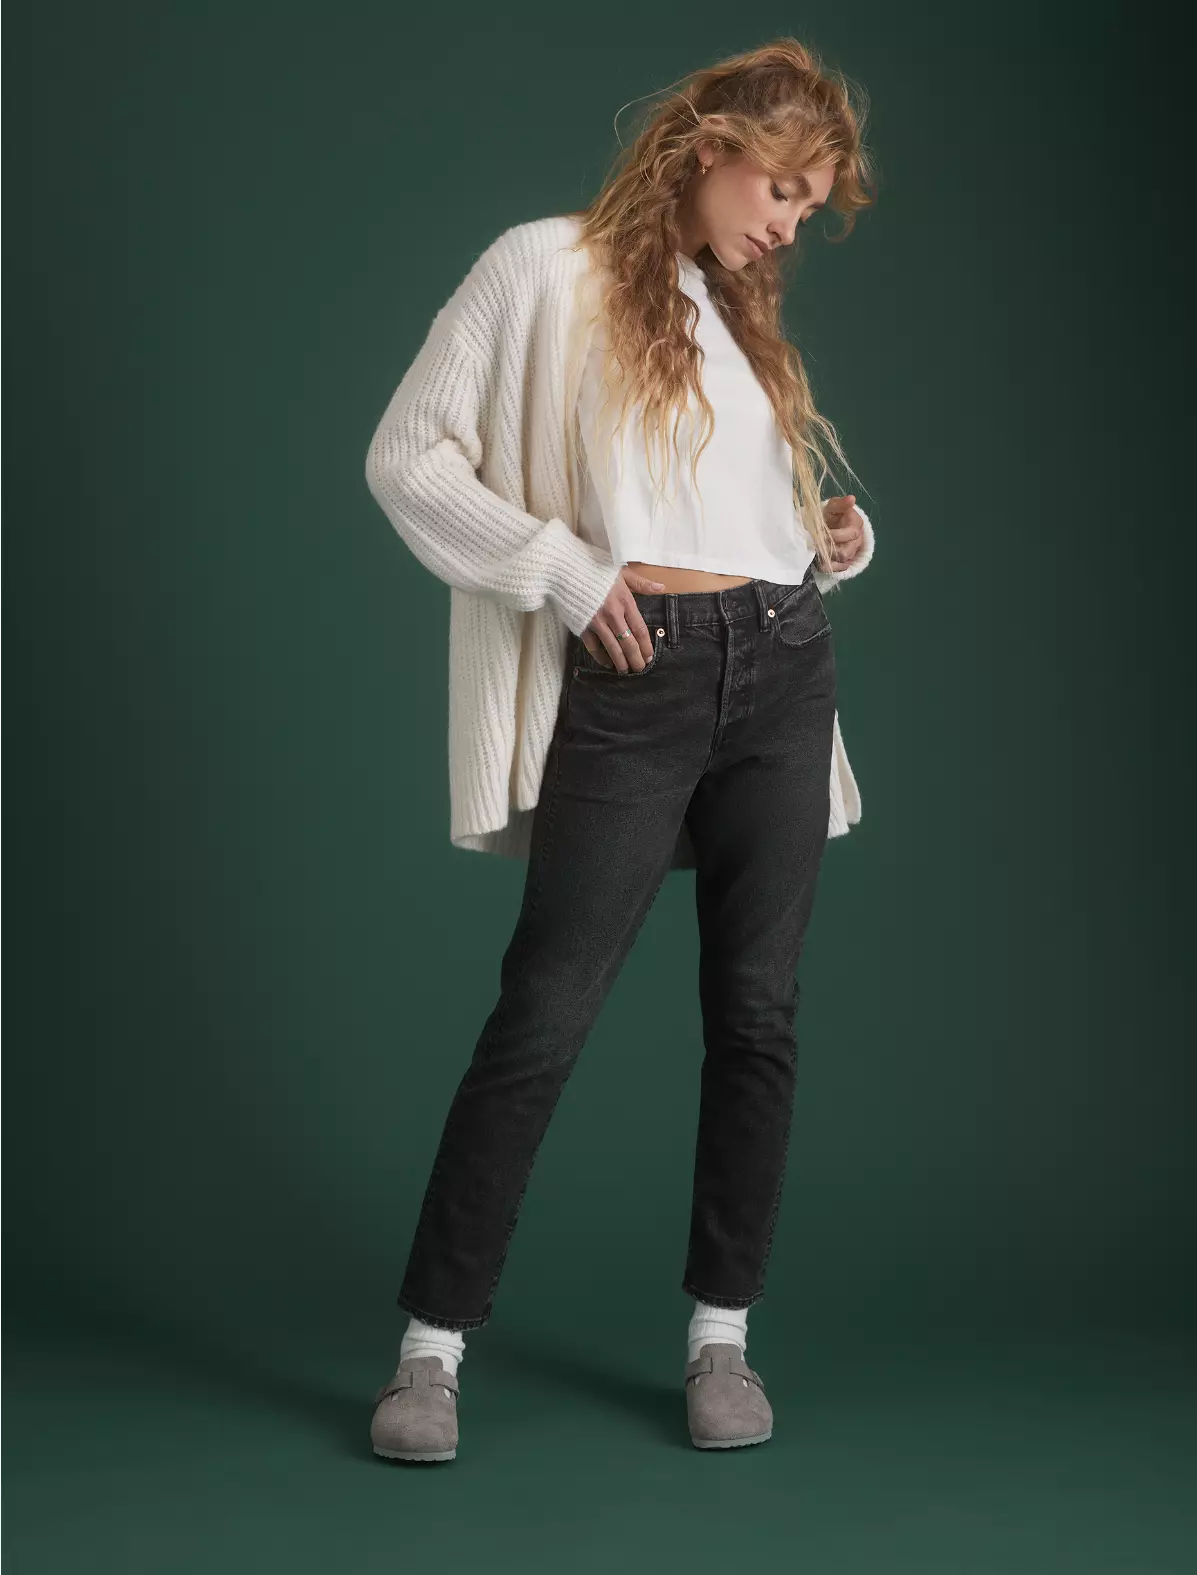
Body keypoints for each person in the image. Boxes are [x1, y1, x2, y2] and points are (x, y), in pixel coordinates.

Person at [363, 38, 878, 1462]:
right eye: (782, 189)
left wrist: (828, 540)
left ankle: (722, 1338)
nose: (790, 226)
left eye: (809, 205)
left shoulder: (735, 317)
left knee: (757, 1014)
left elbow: (734, 522)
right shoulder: (541, 268)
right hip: (636, 676)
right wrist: (563, 572)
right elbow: (406, 455)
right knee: (544, 1011)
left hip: (784, 669)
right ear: (710, 150)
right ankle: (428, 1356)